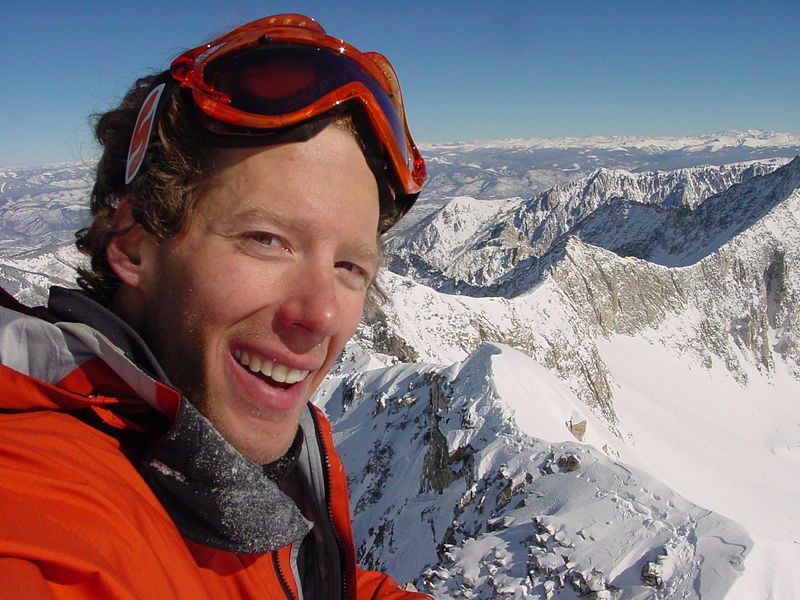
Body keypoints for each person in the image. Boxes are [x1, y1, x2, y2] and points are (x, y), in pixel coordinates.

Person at [0, 13, 430, 599]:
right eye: (267, 240)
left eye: (349, 266)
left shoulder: (227, 457)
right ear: (133, 244)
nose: (322, 314)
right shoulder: (48, 504)